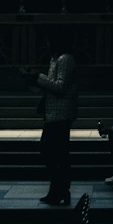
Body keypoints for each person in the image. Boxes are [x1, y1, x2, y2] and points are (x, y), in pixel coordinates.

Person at [25, 31, 78, 206]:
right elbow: (50, 85)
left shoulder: (65, 59)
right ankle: (58, 191)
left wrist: (38, 77)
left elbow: (60, 87)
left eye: (48, 41)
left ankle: (60, 191)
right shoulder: (55, 60)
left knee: (54, 153)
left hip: (61, 114)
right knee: (53, 153)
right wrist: (32, 79)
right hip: (53, 113)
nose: (46, 45)